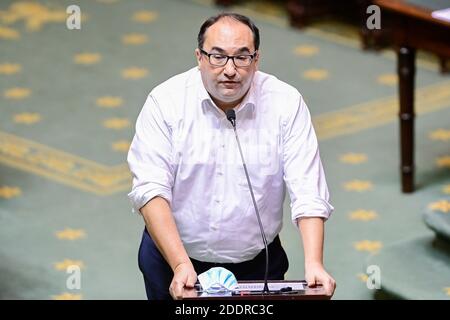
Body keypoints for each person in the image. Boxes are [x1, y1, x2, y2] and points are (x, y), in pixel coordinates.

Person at [127, 12, 335, 300]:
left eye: (241, 57)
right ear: (199, 57)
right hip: (173, 257)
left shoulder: (286, 103)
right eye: (218, 56)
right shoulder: (165, 102)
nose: (230, 70)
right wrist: (179, 263)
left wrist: (314, 263)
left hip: (255, 265)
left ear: (256, 59)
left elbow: (308, 190)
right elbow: (150, 191)